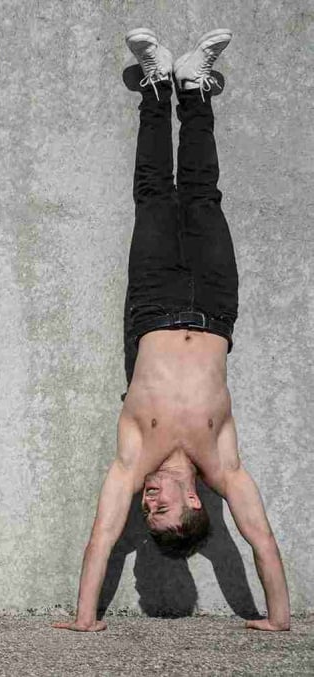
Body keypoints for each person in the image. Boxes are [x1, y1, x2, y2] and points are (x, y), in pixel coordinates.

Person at [54, 28, 290, 633]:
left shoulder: (134, 461)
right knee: (205, 198)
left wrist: (85, 620)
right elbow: (260, 540)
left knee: (155, 196)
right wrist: (279, 619)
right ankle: (195, 88)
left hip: (154, 306)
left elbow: (102, 537)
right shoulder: (223, 464)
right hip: (215, 306)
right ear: (193, 506)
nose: (148, 504)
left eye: (148, 512)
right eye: (161, 511)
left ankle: (157, 84)